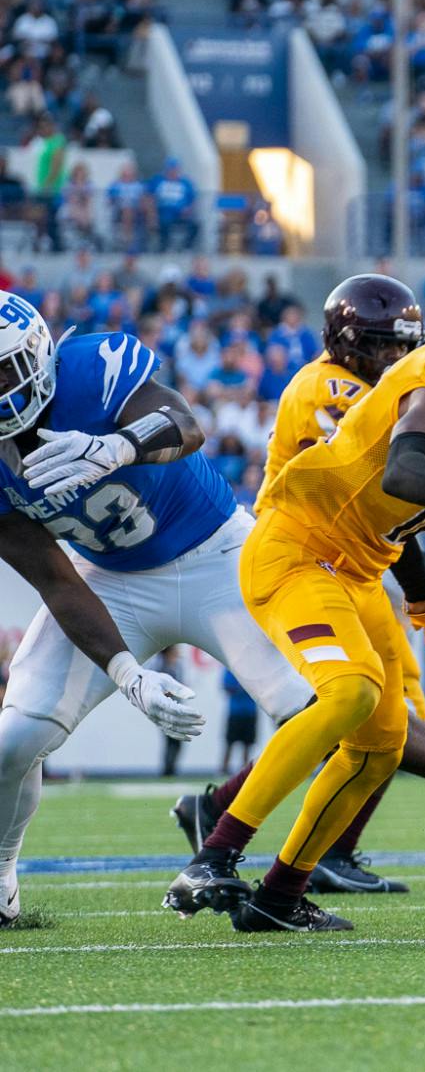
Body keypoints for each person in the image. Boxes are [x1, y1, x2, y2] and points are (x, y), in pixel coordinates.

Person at [164, 252, 425, 933]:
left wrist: (421, 595)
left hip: (357, 562)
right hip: (298, 547)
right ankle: (215, 853)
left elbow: (394, 516)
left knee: (381, 743)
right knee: (351, 691)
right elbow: (405, 472)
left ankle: (278, 895)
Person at [0, 291, 283, 929]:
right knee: (14, 737)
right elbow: (56, 579)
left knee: (315, 706)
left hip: (217, 552)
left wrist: (119, 447)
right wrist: (128, 673)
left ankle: (290, 871)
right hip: (110, 577)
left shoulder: (90, 365)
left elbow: (185, 422)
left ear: (38, 356)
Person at [220, 671, 259, 774]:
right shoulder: (230, 668)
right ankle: (224, 769)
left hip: (250, 711)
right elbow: (226, 687)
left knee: (248, 743)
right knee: (230, 742)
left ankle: (244, 770)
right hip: (235, 711)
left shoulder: (254, 668)